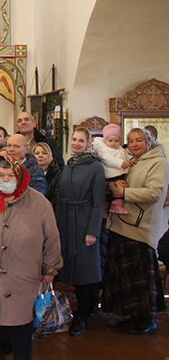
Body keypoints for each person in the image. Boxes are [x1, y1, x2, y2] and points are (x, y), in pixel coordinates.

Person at [0, 156, 63, 360]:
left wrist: (50, 268)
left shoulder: (39, 202)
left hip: (23, 271)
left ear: (20, 176)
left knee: (21, 319)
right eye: (1, 176)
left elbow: (52, 239)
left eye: (10, 176)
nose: (5, 180)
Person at [105, 128, 168, 334]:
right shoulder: (133, 161)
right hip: (123, 224)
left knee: (141, 278)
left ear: (148, 142)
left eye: (139, 140)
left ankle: (147, 319)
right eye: (131, 141)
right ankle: (133, 315)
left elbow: (155, 193)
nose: (134, 144)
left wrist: (124, 191)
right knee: (126, 277)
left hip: (141, 227)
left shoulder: (159, 162)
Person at [55, 128, 106, 337]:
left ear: (88, 143)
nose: (76, 143)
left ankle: (83, 315)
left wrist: (92, 230)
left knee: (86, 272)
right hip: (67, 221)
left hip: (84, 221)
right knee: (71, 271)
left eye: (81, 140)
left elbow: (98, 201)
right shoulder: (69, 164)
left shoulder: (95, 167)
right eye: (74, 140)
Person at [91, 123, 131, 214]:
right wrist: (120, 163)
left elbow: (125, 155)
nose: (113, 143)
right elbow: (108, 159)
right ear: (105, 140)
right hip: (111, 174)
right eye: (110, 140)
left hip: (120, 173)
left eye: (116, 140)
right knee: (113, 191)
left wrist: (131, 159)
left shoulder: (120, 149)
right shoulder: (104, 150)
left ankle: (107, 209)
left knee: (119, 188)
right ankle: (115, 205)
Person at [33, 142, 61, 208]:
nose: (40, 155)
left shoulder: (57, 174)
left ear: (50, 156)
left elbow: (57, 197)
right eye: (37, 153)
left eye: (44, 153)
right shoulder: (30, 173)